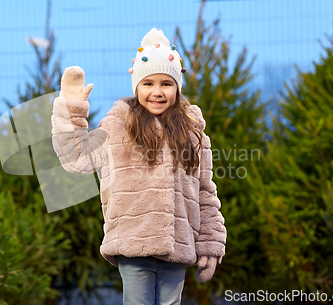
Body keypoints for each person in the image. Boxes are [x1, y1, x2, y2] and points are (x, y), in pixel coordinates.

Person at [51, 28, 226, 305]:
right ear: (136, 86)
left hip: (177, 245)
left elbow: (205, 192)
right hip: (133, 244)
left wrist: (211, 243)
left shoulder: (193, 135)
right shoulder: (117, 128)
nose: (157, 92)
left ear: (177, 87)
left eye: (166, 84)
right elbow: (77, 158)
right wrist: (72, 110)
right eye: (148, 84)